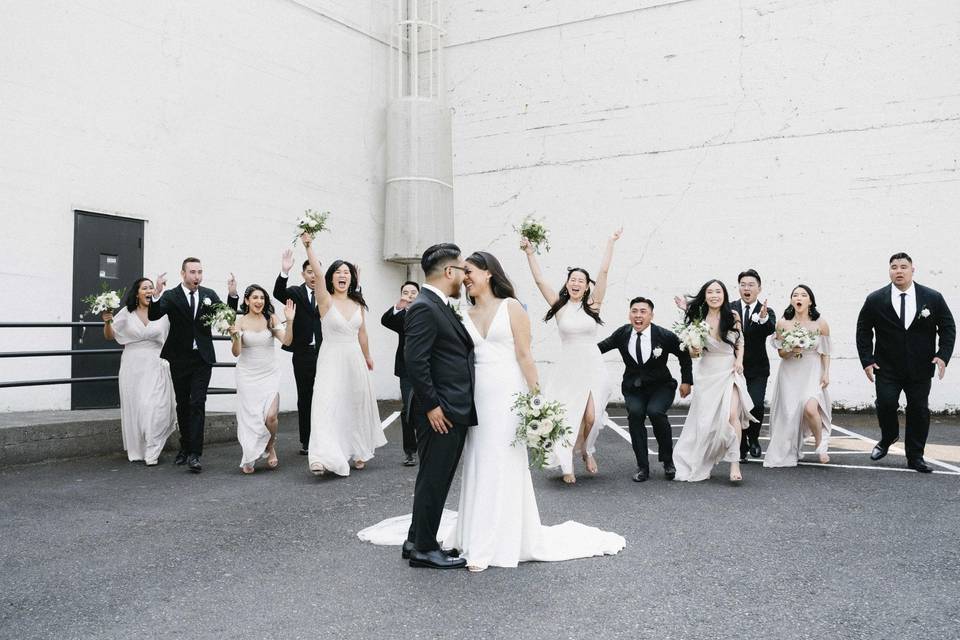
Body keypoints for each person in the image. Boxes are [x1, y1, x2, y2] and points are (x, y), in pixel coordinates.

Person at [358, 250, 626, 571]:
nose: (466, 276)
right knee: (478, 460)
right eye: (462, 271)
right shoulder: (462, 312)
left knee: (503, 460)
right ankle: (472, 535)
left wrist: (537, 400)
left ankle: (502, 539)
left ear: (488, 273)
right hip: (473, 399)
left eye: (470, 271)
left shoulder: (511, 307)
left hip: (508, 394)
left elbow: (525, 356)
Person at [519, 229, 622, 483]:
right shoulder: (560, 307)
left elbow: (604, 272)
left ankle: (586, 449)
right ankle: (568, 464)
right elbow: (540, 280)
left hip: (592, 365)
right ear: (567, 284)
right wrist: (530, 253)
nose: (576, 283)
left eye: (581, 281)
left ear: (587, 287)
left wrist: (610, 243)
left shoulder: (594, 305)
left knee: (590, 416)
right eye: (572, 279)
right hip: (568, 367)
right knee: (568, 415)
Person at [856, 252, 955, 473]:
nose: (898, 271)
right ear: (889, 270)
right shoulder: (875, 299)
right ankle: (889, 436)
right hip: (886, 366)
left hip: (920, 367)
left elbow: (948, 327)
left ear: (912, 269)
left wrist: (943, 355)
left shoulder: (932, 297)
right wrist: (867, 360)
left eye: (903, 266)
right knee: (886, 403)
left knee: (919, 410)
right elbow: (863, 330)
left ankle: (915, 456)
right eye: (894, 267)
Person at [300, 233, 385, 477]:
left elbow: (363, 333)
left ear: (352, 279)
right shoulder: (324, 299)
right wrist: (309, 247)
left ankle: (357, 450)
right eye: (338, 272)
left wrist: (368, 356)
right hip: (331, 358)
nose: (342, 276)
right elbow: (316, 272)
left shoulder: (358, 303)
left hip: (354, 359)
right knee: (326, 404)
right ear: (331, 278)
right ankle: (320, 456)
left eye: (347, 272)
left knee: (354, 404)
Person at [148, 258, 238, 473]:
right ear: (183, 274)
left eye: (199, 272)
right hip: (179, 358)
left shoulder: (208, 294)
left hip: (202, 358)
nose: (197, 276)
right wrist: (157, 294)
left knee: (197, 402)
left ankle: (195, 454)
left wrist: (233, 296)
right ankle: (185, 446)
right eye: (192, 272)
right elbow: (153, 314)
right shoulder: (172, 295)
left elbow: (227, 315)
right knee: (183, 403)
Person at [598, 297, 693, 482]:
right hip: (634, 388)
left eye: (643, 311)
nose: (638, 315)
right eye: (634, 311)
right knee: (635, 414)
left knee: (656, 412)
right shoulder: (622, 334)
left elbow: (684, 354)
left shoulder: (663, 335)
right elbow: (600, 348)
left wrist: (686, 381)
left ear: (651, 315)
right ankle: (643, 466)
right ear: (629, 314)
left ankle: (668, 462)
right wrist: (578, 351)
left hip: (661, 386)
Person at [672, 280, 755, 482]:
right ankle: (703, 458)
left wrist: (739, 360)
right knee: (706, 421)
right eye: (710, 292)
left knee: (732, 413)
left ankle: (735, 463)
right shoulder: (697, 318)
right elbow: (693, 353)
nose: (714, 295)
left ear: (724, 295)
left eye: (718, 291)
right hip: (707, 373)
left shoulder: (732, 316)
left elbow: (740, 341)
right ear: (705, 295)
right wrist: (694, 349)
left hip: (729, 370)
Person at [101, 277, 176, 466]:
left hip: (156, 363)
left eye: (151, 288)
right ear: (137, 293)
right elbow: (110, 336)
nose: (149, 291)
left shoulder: (161, 313)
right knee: (138, 407)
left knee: (154, 407)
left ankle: (153, 448)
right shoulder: (127, 313)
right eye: (145, 288)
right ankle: (139, 449)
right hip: (132, 365)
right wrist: (108, 322)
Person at [229, 285, 295, 473]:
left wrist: (289, 321)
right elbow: (236, 353)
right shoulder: (240, 321)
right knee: (251, 418)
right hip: (247, 375)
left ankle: (270, 445)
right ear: (247, 301)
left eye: (262, 298)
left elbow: (287, 341)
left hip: (269, 374)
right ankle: (249, 454)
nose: (259, 301)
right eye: (255, 298)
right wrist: (235, 336)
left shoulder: (270, 318)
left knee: (271, 416)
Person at [764, 285, 832, 467]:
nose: (798, 298)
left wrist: (826, 373)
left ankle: (820, 444)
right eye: (795, 295)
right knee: (790, 412)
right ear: (791, 300)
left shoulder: (821, 324)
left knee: (810, 408)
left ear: (810, 301)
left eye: (803, 295)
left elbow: (825, 351)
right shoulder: (783, 323)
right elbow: (781, 353)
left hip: (812, 369)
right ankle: (791, 447)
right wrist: (792, 349)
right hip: (790, 371)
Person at [274, 249, 323, 455]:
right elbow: (278, 293)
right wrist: (284, 271)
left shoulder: (326, 295)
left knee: (325, 396)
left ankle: (325, 437)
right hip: (303, 354)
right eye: (309, 271)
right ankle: (307, 440)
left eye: (316, 271)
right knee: (305, 396)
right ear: (303, 274)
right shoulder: (295, 292)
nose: (313, 275)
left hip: (325, 353)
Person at [381, 281, 421, 466]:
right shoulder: (400, 317)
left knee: (428, 408)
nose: (410, 295)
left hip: (427, 368)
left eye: (413, 292)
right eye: (406, 292)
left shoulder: (427, 313)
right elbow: (385, 320)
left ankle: (427, 447)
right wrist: (398, 307)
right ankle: (410, 452)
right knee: (408, 409)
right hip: (406, 369)